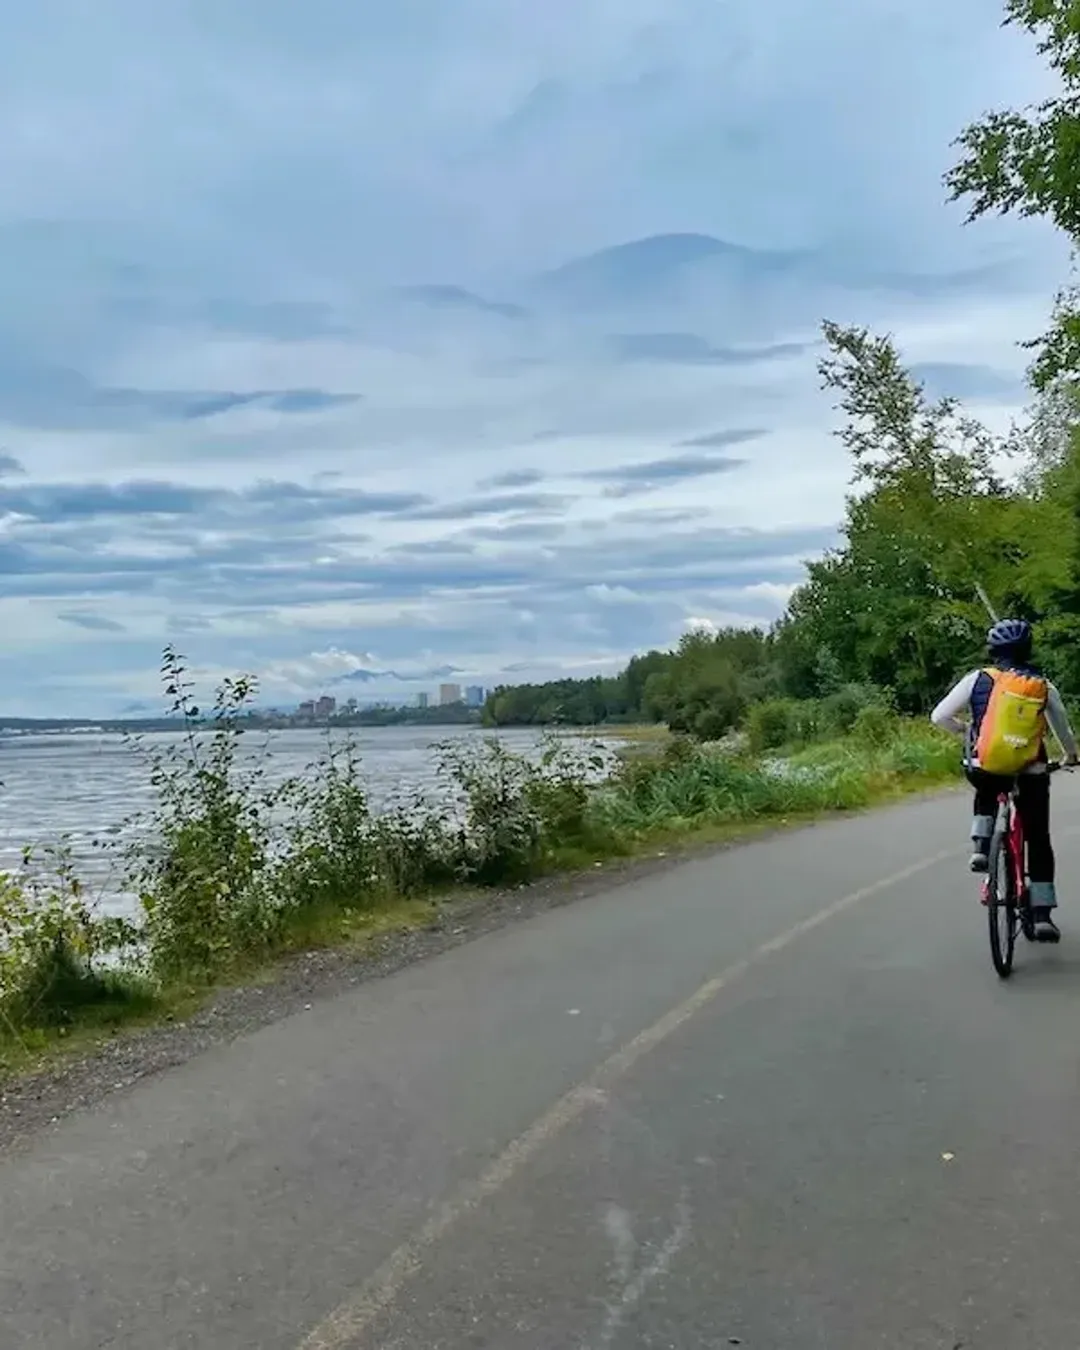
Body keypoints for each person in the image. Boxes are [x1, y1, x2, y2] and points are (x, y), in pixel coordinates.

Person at [930, 618, 1078, 943]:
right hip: (1031, 770)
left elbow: (939, 716)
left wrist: (967, 731)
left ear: (993, 651)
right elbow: (1063, 729)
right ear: (1028, 649)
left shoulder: (976, 679)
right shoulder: (1042, 685)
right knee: (1038, 839)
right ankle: (1041, 916)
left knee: (984, 780)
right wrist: (1070, 756)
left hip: (986, 766)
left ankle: (981, 846)